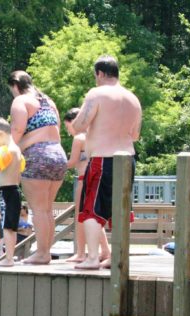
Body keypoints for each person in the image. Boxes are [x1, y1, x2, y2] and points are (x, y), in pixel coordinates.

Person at [72, 55, 142, 270]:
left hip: (103, 159)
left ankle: (92, 258)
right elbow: (135, 135)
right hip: (127, 159)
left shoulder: (97, 93)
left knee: (92, 210)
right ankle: (118, 257)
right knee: (120, 210)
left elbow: (79, 125)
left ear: (100, 74)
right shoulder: (133, 99)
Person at [8, 70, 68, 264]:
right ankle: (45, 252)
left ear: (15, 86)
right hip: (58, 154)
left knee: (39, 210)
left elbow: (17, 129)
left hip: (38, 156)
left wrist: (8, 149)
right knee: (47, 209)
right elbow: (55, 129)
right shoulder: (48, 102)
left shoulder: (21, 101)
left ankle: (42, 253)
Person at [63, 108, 110, 263]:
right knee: (94, 216)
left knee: (82, 216)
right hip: (95, 177)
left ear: (74, 122)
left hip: (84, 179)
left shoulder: (79, 138)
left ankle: (81, 252)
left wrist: (53, 163)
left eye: (67, 125)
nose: (67, 130)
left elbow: (71, 163)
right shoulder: (94, 135)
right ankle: (105, 250)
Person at [0, 117, 23, 267]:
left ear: (0, 133)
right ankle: (10, 257)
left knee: (7, 227)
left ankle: (8, 259)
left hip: (7, 192)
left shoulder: (8, 150)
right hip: (15, 190)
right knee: (11, 227)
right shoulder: (17, 149)